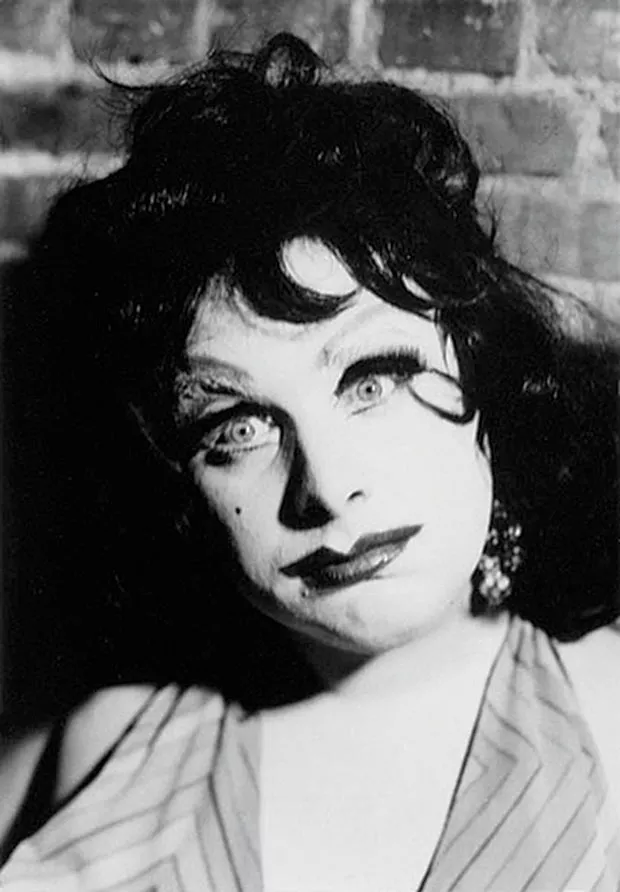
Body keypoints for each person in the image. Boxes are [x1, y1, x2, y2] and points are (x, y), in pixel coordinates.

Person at [0, 31, 619, 891]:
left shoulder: (606, 717)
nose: (325, 488)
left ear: (485, 367)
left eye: (374, 379)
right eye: (239, 428)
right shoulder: (105, 750)